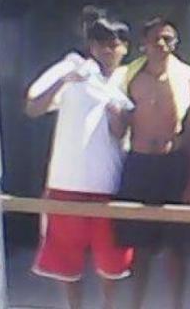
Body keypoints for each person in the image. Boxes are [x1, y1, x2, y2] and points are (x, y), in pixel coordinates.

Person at [26, 16, 133, 309]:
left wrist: (117, 115)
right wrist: (64, 81)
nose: (109, 50)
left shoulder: (128, 78)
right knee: (66, 262)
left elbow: (121, 132)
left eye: (115, 44)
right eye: (102, 43)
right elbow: (33, 107)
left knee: (111, 262)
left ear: (125, 47)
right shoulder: (71, 68)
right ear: (91, 46)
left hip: (109, 185)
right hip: (66, 183)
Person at [113, 17, 190, 309]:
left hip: (173, 164)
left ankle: (177, 305)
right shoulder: (129, 75)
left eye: (168, 39)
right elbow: (119, 122)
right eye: (156, 39)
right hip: (139, 164)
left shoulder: (187, 75)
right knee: (139, 245)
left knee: (176, 246)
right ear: (144, 43)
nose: (162, 44)